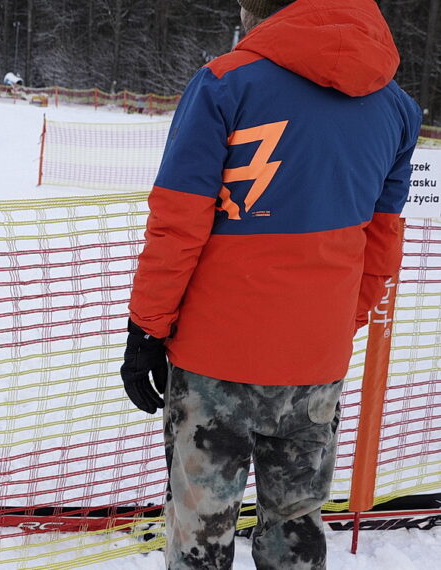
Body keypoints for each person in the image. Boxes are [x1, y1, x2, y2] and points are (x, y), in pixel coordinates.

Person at [119, 1, 421, 568]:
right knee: (297, 527)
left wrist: (147, 330)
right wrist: (332, 326)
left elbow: (177, 225)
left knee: (199, 532)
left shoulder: (226, 83)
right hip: (316, 363)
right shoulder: (398, 109)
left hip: (214, 359)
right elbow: (382, 246)